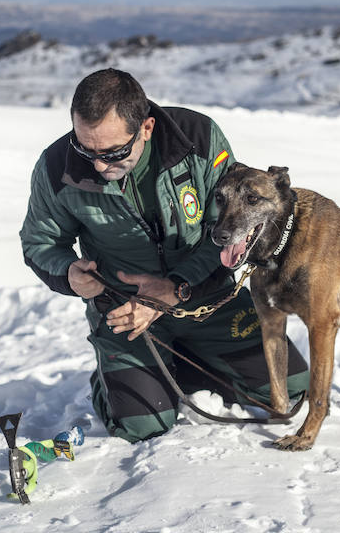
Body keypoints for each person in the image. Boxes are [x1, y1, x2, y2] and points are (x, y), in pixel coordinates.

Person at [20, 68, 308, 442]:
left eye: (114, 152)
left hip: (209, 300)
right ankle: (114, 378)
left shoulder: (198, 139)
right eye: (85, 148)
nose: (98, 166)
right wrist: (68, 273)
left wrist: (175, 286)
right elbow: (40, 243)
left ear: (146, 128)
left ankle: (188, 360)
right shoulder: (57, 165)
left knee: (292, 392)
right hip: (127, 315)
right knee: (143, 426)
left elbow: (224, 230)